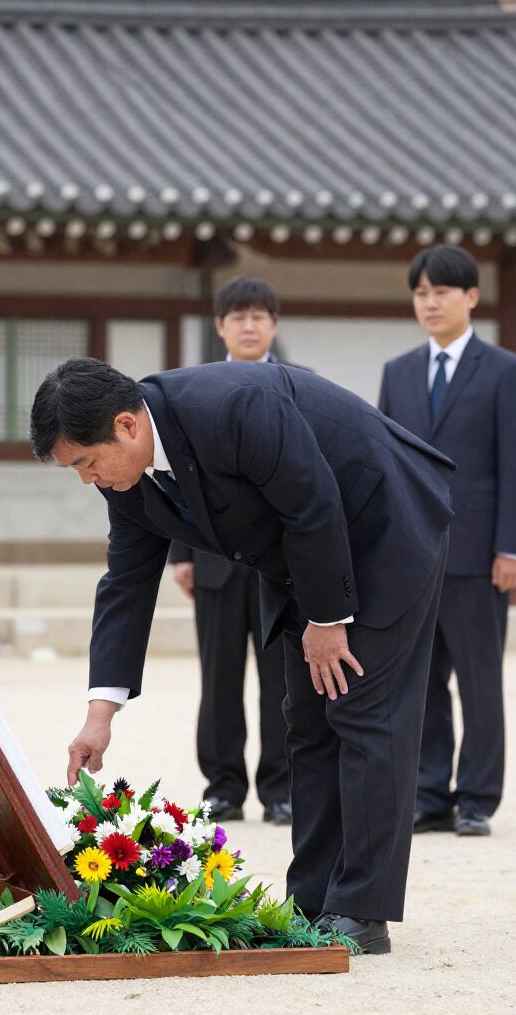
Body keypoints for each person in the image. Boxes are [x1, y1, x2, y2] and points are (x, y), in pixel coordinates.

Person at [30, 356, 454, 955]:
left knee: (363, 713)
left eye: (85, 462)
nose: (86, 479)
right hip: (302, 555)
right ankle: (311, 902)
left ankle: (362, 909)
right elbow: (125, 585)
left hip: (382, 522)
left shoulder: (231, 405)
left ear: (126, 425)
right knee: (306, 722)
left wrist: (327, 619)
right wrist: (101, 712)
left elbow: (313, 501)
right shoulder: (127, 482)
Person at [378, 246, 516, 837]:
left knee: (478, 681)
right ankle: (429, 792)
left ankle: (476, 797)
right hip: (411, 557)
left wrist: (512, 549)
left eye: (442, 291)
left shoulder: (505, 371)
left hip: (478, 557)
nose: (430, 302)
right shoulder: (397, 373)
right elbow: (385, 464)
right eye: (421, 293)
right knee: (420, 683)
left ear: (471, 296)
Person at [168, 278, 291, 826]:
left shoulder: (295, 385)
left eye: (259, 316)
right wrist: (181, 554)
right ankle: (223, 786)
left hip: (281, 564)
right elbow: (175, 475)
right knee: (218, 680)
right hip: (214, 560)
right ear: (219, 325)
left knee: (280, 680)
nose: (248, 325)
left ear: (273, 325)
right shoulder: (192, 389)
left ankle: (282, 788)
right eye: (237, 316)